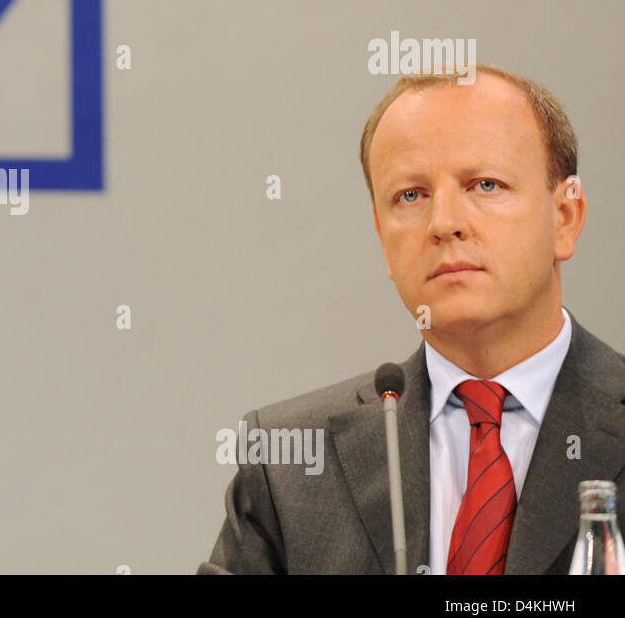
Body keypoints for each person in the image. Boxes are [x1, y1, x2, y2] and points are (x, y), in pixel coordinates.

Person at [200, 64, 625, 575]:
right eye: (410, 195)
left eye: (485, 184)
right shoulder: (288, 463)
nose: (444, 223)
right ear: (381, 234)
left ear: (565, 218)